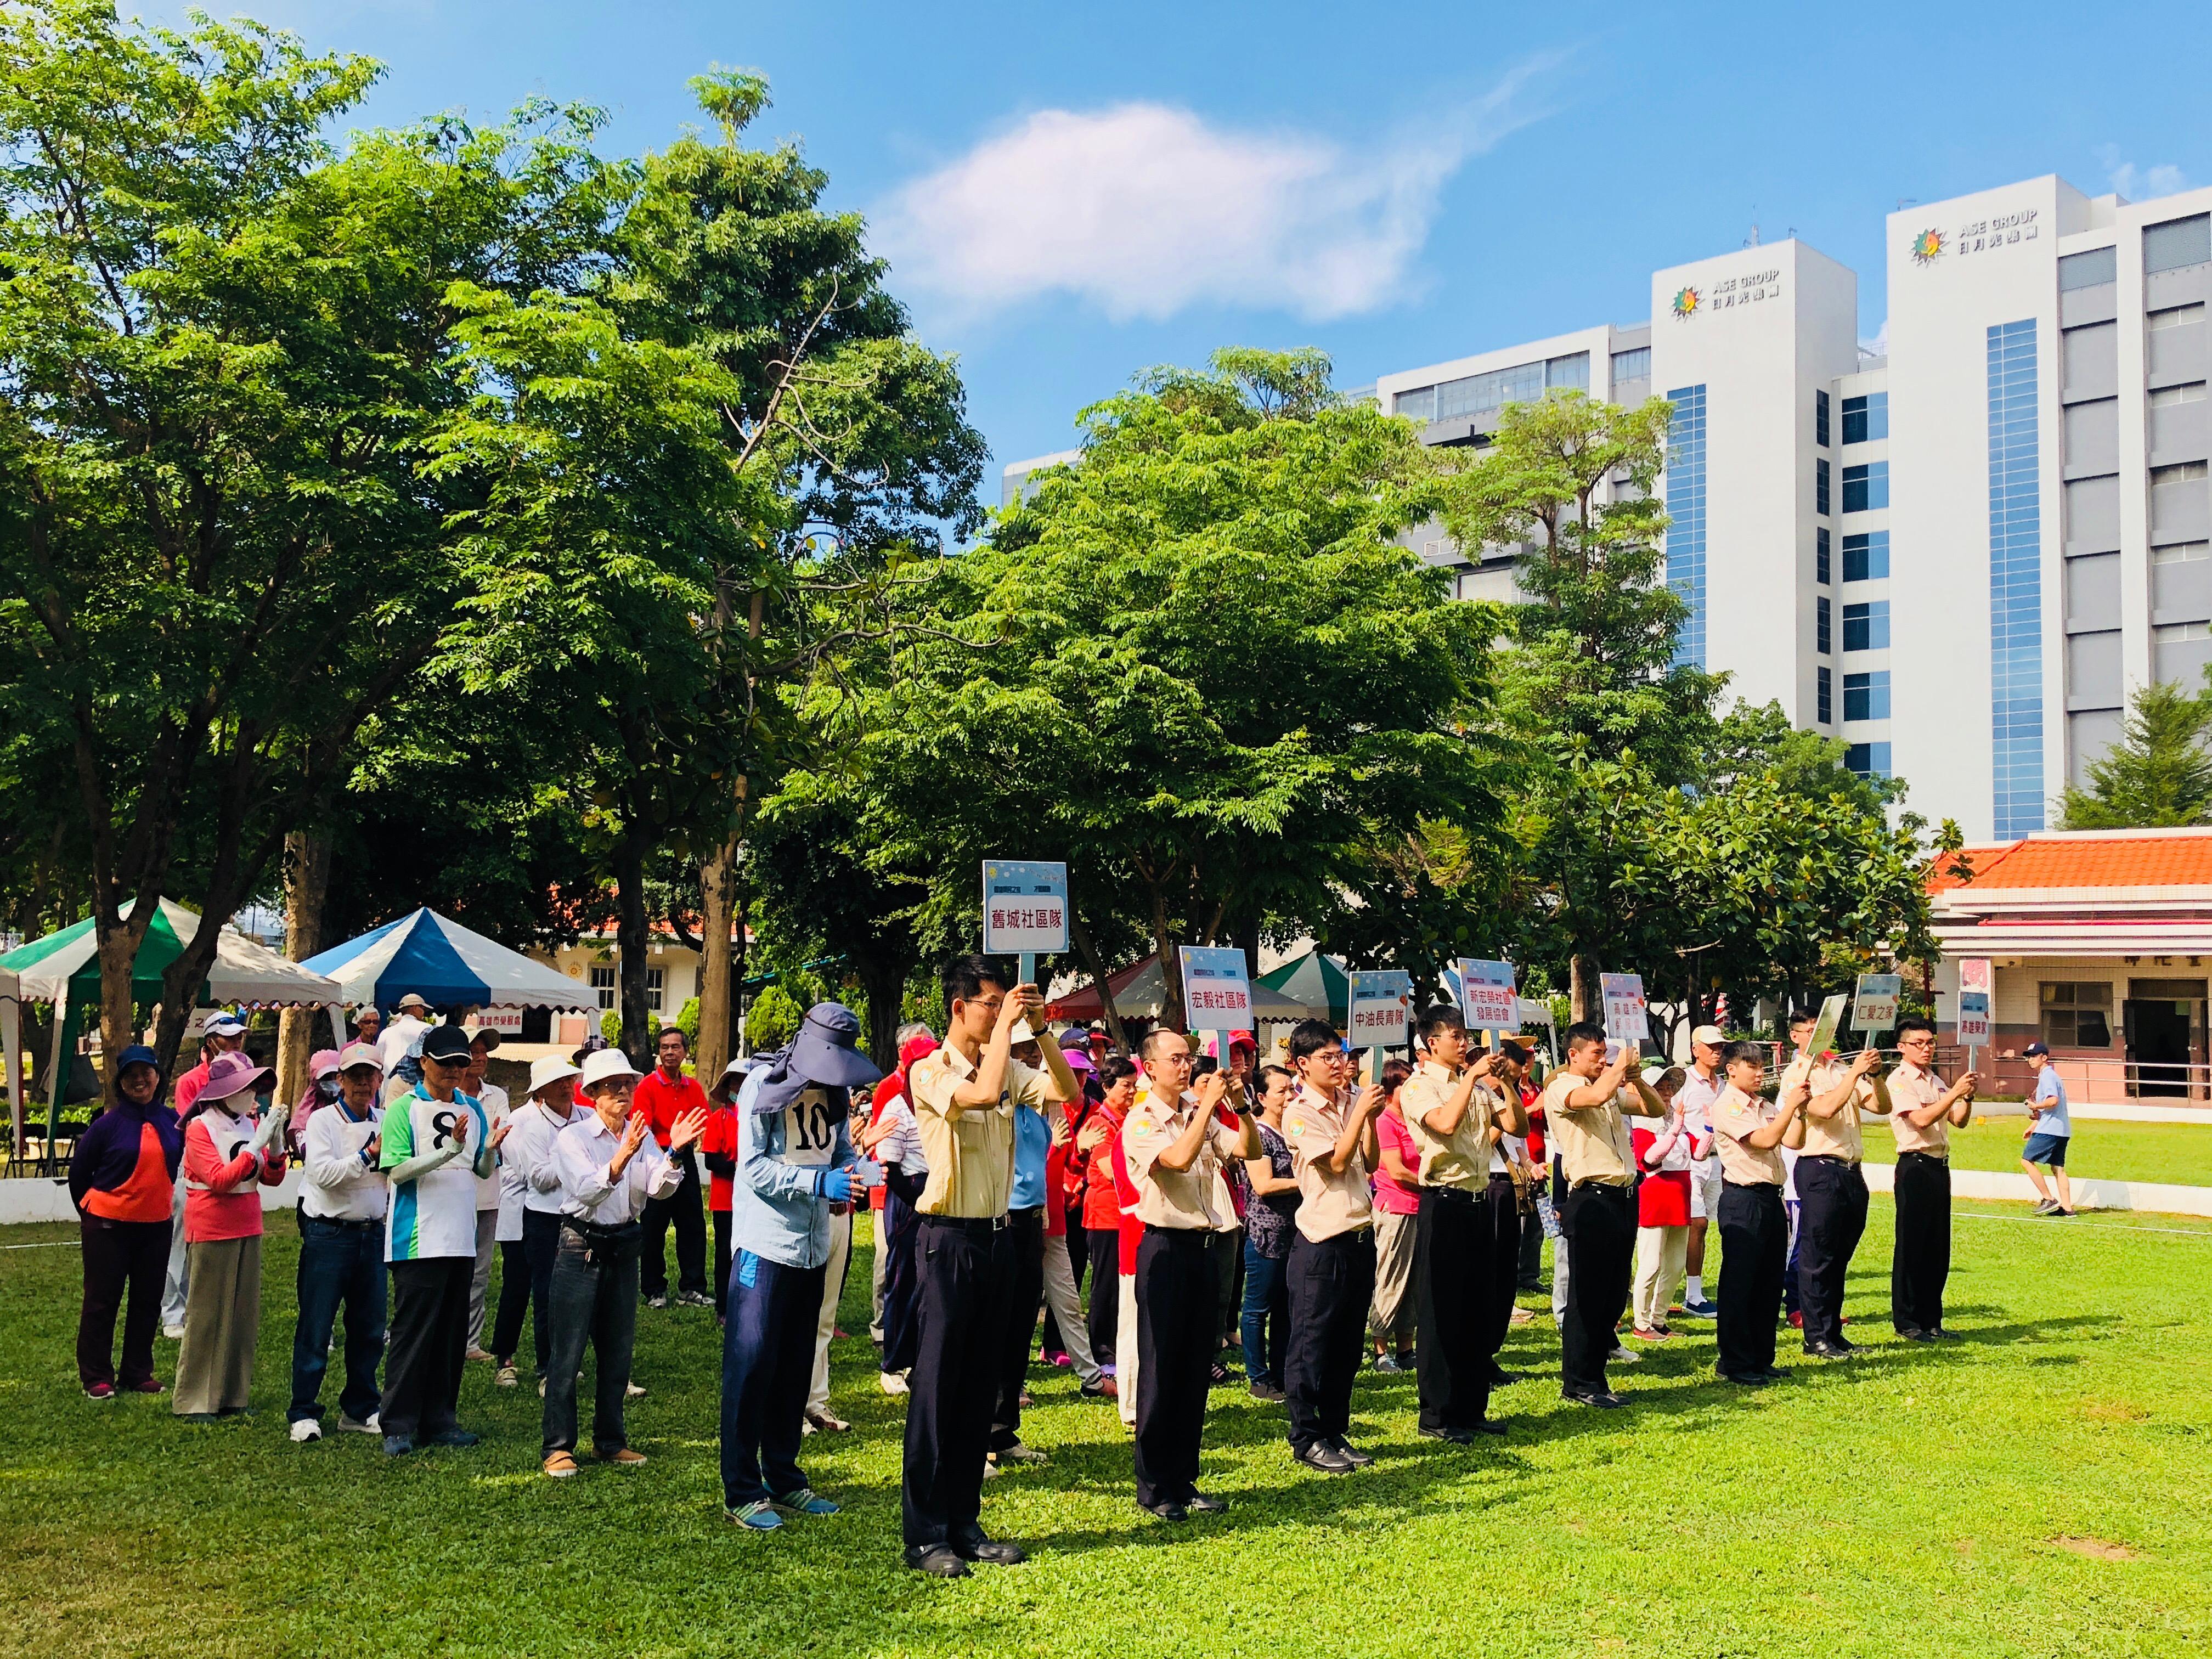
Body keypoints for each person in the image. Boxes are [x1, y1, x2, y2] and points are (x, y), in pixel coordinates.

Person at [898, 958, 1079, 1577]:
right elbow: (979, 1095)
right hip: (949, 1240)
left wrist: (1043, 1029)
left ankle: (964, 1521)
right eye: (991, 1003)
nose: (1000, 1011)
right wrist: (1007, 1030)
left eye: (1004, 1003)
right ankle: (925, 1535)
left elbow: (1069, 1093)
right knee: (938, 1389)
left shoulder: (1009, 1061)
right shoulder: (930, 1070)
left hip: (1001, 1240)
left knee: (982, 1387)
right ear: (960, 1008)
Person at [720, 1004, 873, 1526]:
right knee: (752, 1365)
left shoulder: (836, 1089)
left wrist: (859, 1173)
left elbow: (841, 1152)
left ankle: (785, 1477)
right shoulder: (761, 1084)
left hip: (813, 1248)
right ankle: (741, 1489)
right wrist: (814, 1184)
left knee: (793, 1367)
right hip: (765, 1250)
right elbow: (755, 1167)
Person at [540, 1048, 706, 1477]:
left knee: (618, 1352)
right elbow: (586, 1190)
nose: (623, 1092)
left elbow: (658, 1189)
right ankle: (558, 1447)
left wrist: (675, 1152)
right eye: (613, 1086)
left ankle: (610, 1442)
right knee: (568, 1352)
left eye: (628, 1084)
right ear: (591, 1093)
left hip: (624, 1245)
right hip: (582, 1246)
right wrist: (623, 1155)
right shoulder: (573, 1139)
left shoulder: (642, 1134)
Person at [1121, 1028, 1261, 1517]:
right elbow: (1177, 1160)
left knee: (1194, 1370)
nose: (1186, 1067)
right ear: (1150, 1067)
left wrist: (1240, 1107)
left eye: (1189, 1058)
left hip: (1206, 1247)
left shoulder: (1193, 1115)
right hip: (1165, 1249)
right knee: (1162, 1368)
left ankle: (1184, 1478)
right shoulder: (1142, 1121)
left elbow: (1251, 1151)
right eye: (1175, 1059)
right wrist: (1206, 1107)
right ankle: (1155, 1486)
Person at [1400, 1007, 1527, 1444]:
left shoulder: (1472, 1084)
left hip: (1478, 1201)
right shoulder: (1420, 1086)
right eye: (1455, 1035)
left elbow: (1517, 1126)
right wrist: (1473, 1078)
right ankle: (1437, 1414)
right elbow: (1445, 1124)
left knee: (1478, 1306)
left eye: (1464, 1034)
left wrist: (1506, 1082)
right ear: (1432, 1043)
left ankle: (1472, 1408)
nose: (1463, 1041)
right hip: (1444, 1202)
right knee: (1441, 1310)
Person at [378, 1024, 493, 1457]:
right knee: (413, 1333)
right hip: (418, 1238)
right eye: (445, 1063)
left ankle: (441, 1419)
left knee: (450, 1336)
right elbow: (395, 1171)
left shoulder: (473, 1108)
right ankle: (398, 1423)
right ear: (424, 1062)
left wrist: (490, 1150)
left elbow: (480, 1171)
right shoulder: (403, 1109)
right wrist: (446, 1153)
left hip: (460, 1236)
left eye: (460, 1063)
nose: (453, 1071)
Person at [1540, 1023, 1666, 1409]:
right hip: (1590, 1197)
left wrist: (1637, 1079)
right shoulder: (1563, 1086)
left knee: (1612, 1294)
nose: (1603, 1061)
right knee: (1587, 1295)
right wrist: (1617, 1070)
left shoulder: (1610, 1088)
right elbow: (1592, 1096)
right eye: (1596, 1054)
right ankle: (1579, 1380)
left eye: (1605, 1053)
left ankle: (1596, 1375)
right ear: (1573, 1055)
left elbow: (1655, 1108)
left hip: (1624, 1197)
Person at [1279, 1023, 1383, 1474]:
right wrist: (1361, 1109)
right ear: (1303, 1065)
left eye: (1341, 1055)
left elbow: (1371, 1161)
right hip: (1322, 1243)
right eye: (1328, 1057)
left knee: (1346, 1344)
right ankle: (1306, 1436)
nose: (1340, 1063)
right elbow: (1337, 1163)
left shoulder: (1349, 1104)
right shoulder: (1300, 1112)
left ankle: (1334, 1429)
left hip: (1360, 1236)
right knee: (1312, 1344)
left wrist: (1368, 1116)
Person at [173, 1051, 288, 1419]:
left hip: (247, 1223)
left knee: (242, 1315)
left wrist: (275, 1143)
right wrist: (257, 1145)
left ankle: (234, 1395)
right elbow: (220, 1180)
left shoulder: (249, 1124)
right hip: (212, 1227)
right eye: (246, 1087)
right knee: (207, 1315)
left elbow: (271, 1178)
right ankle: (195, 1399)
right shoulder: (200, 1127)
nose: (253, 1095)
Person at [70, 1045, 182, 1400]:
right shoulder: (106, 1126)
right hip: (108, 1227)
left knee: (148, 1301)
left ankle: (137, 1372)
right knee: (102, 1302)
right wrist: (94, 1213)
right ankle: (96, 1376)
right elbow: (79, 1175)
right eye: (131, 1074)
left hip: (157, 1226)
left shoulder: (173, 1121)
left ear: (157, 1077)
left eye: (146, 1072)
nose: (139, 1079)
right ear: (120, 1082)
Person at [290, 1042, 388, 1440]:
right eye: (355, 1077)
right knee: (317, 1324)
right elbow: (322, 1175)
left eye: (370, 1076)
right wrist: (369, 1156)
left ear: (379, 1080)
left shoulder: (386, 1118)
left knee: (368, 1327)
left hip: (373, 1233)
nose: (363, 1084)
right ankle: (303, 1411)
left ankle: (361, 1407)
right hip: (329, 1234)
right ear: (341, 1081)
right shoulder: (323, 1122)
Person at [1782, 1015, 1887, 1359]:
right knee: (1818, 1257)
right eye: (1810, 1030)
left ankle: (1833, 1332)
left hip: (1850, 1170)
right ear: (1795, 1036)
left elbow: (1880, 1106)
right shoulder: (1798, 1073)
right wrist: (1856, 1073)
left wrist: (1874, 1074)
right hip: (1820, 1168)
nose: (1818, 1036)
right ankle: (1816, 1336)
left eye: (1822, 1029)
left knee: (1840, 1256)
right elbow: (1824, 1109)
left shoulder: (1839, 1067)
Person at [1708, 1040, 1808, 1385]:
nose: (1759, 1072)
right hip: (1743, 1198)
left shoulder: (1763, 1105)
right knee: (1741, 1282)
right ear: (1731, 1069)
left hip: (1771, 1197)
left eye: (1762, 1066)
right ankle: (1734, 1361)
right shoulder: (1728, 1106)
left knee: (1769, 1281)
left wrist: (1799, 1111)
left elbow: (1794, 1141)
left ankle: (1762, 1357)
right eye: (1752, 1066)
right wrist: (1788, 1108)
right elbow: (1764, 1141)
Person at [859, 1029, 938, 1394]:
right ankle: (892, 1364)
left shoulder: (939, 1105)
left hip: (937, 1198)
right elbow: (884, 1168)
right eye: (923, 1065)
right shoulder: (896, 1109)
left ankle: (921, 1360)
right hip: (907, 1200)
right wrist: (913, 1199)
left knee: (930, 1286)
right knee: (903, 1283)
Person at [1888, 1016, 1978, 1340]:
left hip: (1939, 1165)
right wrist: (1954, 1092)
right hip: (1915, 1166)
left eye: (1930, 1043)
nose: (1927, 1049)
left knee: (1937, 1246)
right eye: (1919, 1043)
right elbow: (1922, 1120)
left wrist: (1965, 1096)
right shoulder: (1900, 1081)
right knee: (1912, 1244)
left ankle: (1931, 1319)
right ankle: (1908, 1320)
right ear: (1902, 1047)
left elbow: (1959, 1121)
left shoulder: (1934, 1080)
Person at [498, 1056, 580, 1391]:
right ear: (540, 1090)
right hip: (524, 1213)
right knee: (519, 1288)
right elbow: (536, 1178)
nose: (566, 1085)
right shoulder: (522, 1120)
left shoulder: (580, 1116)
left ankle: (560, 1361)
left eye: (569, 1079)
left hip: (564, 1213)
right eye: (558, 1080)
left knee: (562, 1291)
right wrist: (577, 1161)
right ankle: (506, 1358)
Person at [161, 1014, 246, 1338]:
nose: (235, 1043)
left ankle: (211, 1310)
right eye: (228, 1038)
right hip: (197, 1170)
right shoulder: (190, 1081)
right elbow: (193, 1126)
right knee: (181, 1243)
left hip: (235, 1168)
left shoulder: (245, 1074)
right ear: (210, 1041)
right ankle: (173, 1312)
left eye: (238, 1037)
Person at [634, 1026, 713, 1310]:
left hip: (687, 1159)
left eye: (675, 1047)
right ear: (659, 1052)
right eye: (665, 1047)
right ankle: (654, 1289)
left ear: (685, 1052)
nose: (670, 1052)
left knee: (692, 1225)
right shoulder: (647, 1087)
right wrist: (669, 1151)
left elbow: (703, 1119)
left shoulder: (693, 1087)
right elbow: (643, 1126)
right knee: (653, 1228)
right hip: (657, 1159)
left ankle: (692, 1288)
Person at [1239, 1063, 1299, 1402]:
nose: (1290, 1096)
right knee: (1257, 1309)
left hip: (1294, 1235)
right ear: (1261, 1097)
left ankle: (1281, 1374)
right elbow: (1263, 1184)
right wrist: (1305, 1180)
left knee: (1286, 1309)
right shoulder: (1259, 1135)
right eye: (1282, 1091)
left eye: (1291, 1089)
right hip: (1266, 1236)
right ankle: (1258, 1377)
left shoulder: (1291, 1131)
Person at [1629, 1069, 1702, 1342]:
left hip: (1680, 1198)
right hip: (1655, 1197)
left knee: (1674, 1264)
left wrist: (1707, 1126)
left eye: (1670, 1088)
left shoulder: (1677, 1122)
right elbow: (1649, 1158)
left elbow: (1700, 1151)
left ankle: (1658, 1319)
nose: (1668, 1093)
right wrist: (1675, 1129)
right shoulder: (1642, 1125)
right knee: (1651, 1264)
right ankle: (1641, 1321)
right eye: (1661, 1088)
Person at [1079, 1057, 1138, 1377]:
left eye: (1134, 1085)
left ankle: (1116, 1345)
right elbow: (1109, 1170)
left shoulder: (1127, 1119)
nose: (1131, 1091)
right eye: (1125, 1086)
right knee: (1105, 1286)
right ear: (1106, 1088)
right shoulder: (1101, 1123)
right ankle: (1102, 1350)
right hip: (1105, 1214)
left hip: (1125, 1215)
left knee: (1122, 1284)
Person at [1482, 1042, 1537, 1376]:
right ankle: (1479, 1354)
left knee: (1505, 1274)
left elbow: (1521, 1144)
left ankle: (1491, 1349)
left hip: (1510, 1188)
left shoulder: (1510, 1099)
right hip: (1487, 1185)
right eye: (1505, 1076)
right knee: (1487, 1273)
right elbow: (1478, 1145)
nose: (1511, 1083)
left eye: (1515, 1078)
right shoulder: (1474, 1097)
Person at [1365, 1060, 1421, 1373]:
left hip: (1417, 1207)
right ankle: (1380, 1349)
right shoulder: (1385, 1121)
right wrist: (1430, 1181)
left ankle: (1406, 1348)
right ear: (1390, 1090)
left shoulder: (1411, 1119)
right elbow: (1397, 1169)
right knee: (1390, 1279)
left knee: (1412, 1284)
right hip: (1395, 1208)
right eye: (1405, 1084)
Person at [464, 1030, 513, 1360]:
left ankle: (469, 1342)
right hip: (452, 1196)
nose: (481, 1057)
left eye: (485, 1052)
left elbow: (503, 1139)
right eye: (474, 1051)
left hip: (488, 1196)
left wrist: (486, 1147)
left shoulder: (496, 1095)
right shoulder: (447, 1096)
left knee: (480, 1272)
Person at [1674, 1025, 1726, 1319]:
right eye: (1711, 1046)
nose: (1717, 1050)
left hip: (1719, 1161)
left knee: (1714, 1224)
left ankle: (1699, 1290)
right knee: (1697, 1224)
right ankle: (1693, 1294)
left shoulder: (1724, 1084)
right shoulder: (1684, 1082)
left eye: (1720, 1046)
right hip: (1690, 1163)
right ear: (1695, 1049)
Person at [703, 1058, 748, 1321]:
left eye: (744, 1082)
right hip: (725, 1200)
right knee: (725, 1254)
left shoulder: (758, 1119)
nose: (739, 1087)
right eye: (735, 1082)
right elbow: (711, 1160)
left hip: (753, 1200)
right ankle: (723, 1306)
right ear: (728, 1085)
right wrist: (745, 1168)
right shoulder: (718, 1119)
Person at [2021, 1042, 2075, 1217]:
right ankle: (2068, 1209)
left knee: (2026, 1160)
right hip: (2061, 1130)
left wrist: (2035, 1105)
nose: (2030, 1059)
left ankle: (2048, 1198)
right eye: (2028, 1056)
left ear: (2044, 1058)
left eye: (2034, 1056)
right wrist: (2033, 1126)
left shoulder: (2047, 1076)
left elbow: (2053, 1101)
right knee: (2058, 1168)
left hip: (2050, 1130)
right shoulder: (2050, 1076)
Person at [377, 994, 434, 1103]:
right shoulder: (427, 1030)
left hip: (390, 1090)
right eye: (422, 1008)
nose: (423, 1012)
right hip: (418, 1090)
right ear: (415, 1008)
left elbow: (378, 1063)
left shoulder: (386, 1033)